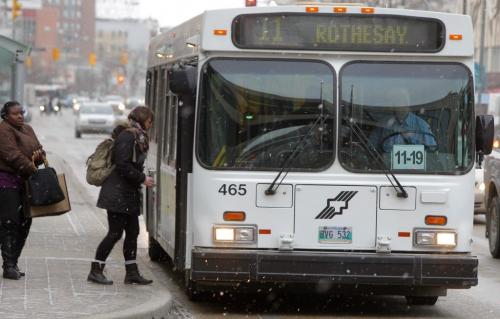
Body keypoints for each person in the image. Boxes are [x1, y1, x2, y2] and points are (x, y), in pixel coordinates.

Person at [88, 106, 155, 285]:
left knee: (133, 232)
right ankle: (96, 270)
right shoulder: (127, 136)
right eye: (149, 121)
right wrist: (143, 178)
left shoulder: (137, 136)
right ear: (142, 119)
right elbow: (123, 165)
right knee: (115, 233)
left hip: (127, 194)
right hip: (117, 193)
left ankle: (131, 272)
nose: (151, 125)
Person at [0, 101, 44, 280]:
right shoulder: (3, 130)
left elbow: (39, 150)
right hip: (6, 182)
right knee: (10, 223)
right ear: (6, 116)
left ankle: (14, 262)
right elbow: (11, 155)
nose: (20, 116)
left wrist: (40, 157)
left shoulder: (28, 129)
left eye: (21, 113)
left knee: (25, 223)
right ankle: (8, 265)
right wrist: (31, 167)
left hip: (25, 183)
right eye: (15, 114)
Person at [368, 88, 437, 153]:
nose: (395, 104)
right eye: (393, 101)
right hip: (384, 165)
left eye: (399, 100)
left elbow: (431, 154)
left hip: (414, 166)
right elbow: (370, 148)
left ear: (407, 102)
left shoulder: (422, 126)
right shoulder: (384, 124)